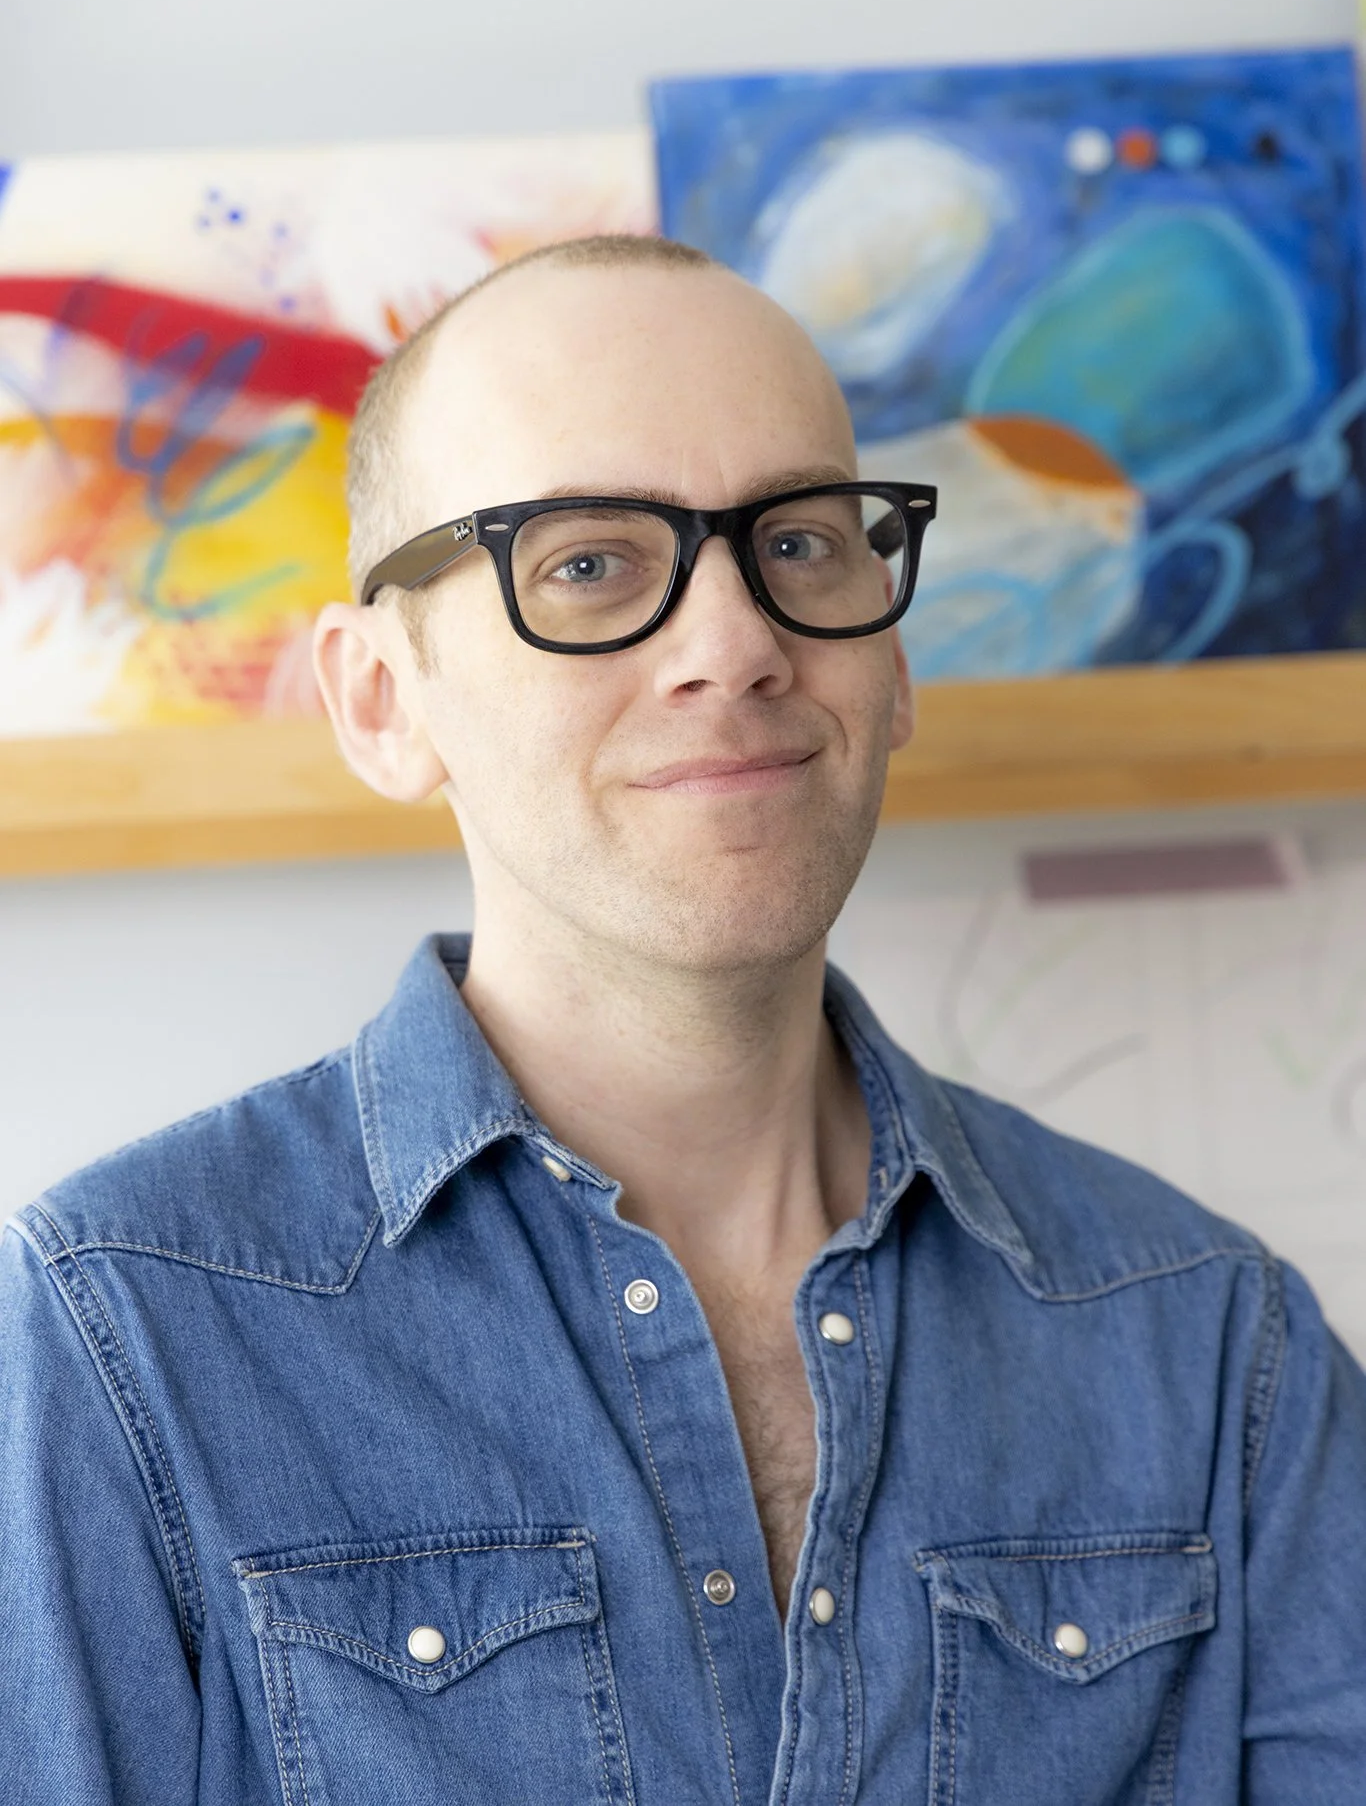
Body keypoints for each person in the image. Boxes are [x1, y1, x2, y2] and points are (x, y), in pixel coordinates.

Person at [2, 234, 1364, 1806]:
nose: (732, 646)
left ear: (893, 655)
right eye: (588, 562)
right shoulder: (119, 1332)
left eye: (797, 545)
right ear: (383, 699)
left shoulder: (1210, 1344)